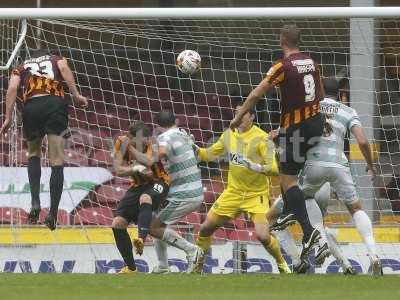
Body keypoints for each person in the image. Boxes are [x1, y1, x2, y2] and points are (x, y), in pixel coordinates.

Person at [230, 24, 324, 259]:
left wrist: (238, 116)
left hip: (298, 126)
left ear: (281, 41)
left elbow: (255, 94)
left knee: (288, 179)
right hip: (316, 121)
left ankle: (309, 231)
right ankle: (291, 211)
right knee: (282, 163)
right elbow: (319, 91)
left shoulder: (282, 67)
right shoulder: (310, 62)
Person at [191, 104, 291, 274]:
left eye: (243, 114)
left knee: (263, 236)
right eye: (237, 113)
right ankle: (197, 267)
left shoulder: (262, 138)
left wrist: (254, 166)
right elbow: (208, 155)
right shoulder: (229, 134)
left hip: (256, 195)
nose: (238, 117)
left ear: (252, 117)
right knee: (205, 228)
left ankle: (282, 264)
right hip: (233, 193)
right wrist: (194, 148)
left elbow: (273, 168)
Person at [299, 77, 382, 275]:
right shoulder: (348, 111)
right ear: (340, 94)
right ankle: (374, 255)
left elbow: (298, 134)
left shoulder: (311, 107)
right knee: (356, 209)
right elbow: (362, 140)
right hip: (339, 164)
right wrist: (370, 165)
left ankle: (321, 242)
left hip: (314, 163)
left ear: (319, 89)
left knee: (304, 197)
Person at [0, 49, 88, 230]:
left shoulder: (21, 66)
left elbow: (12, 88)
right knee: (56, 160)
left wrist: (8, 117)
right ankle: (53, 213)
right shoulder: (57, 59)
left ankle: (35, 202)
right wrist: (76, 94)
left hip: (31, 106)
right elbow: (64, 70)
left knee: (34, 154)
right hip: (54, 104)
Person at [130, 110, 202, 274]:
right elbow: (196, 153)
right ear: (175, 121)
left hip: (185, 193)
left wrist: (146, 161)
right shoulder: (183, 134)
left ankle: (192, 250)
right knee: (156, 220)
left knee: (153, 227)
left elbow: (162, 152)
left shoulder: (165, 137)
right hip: (191, 188)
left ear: (157, 126)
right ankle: (163, 266)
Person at [111, 121, 170, 274]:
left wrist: (130, 147)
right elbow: (118, 169)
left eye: (145, 141)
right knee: (117, 223)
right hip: (137, 185)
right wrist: (136, 169)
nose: (144, 143)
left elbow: (149, 162)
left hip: (159, 182)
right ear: (130, 136)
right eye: (139, 141)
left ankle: (141, 240)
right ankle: (130, 268)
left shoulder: (153, 143)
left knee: (145, 197)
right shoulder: (120, 142)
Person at [268, 182, 356, 275]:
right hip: (324, 188)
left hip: (301, 189)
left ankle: (298, 262)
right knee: (319, 225)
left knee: (270, 219)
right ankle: (346, 265)